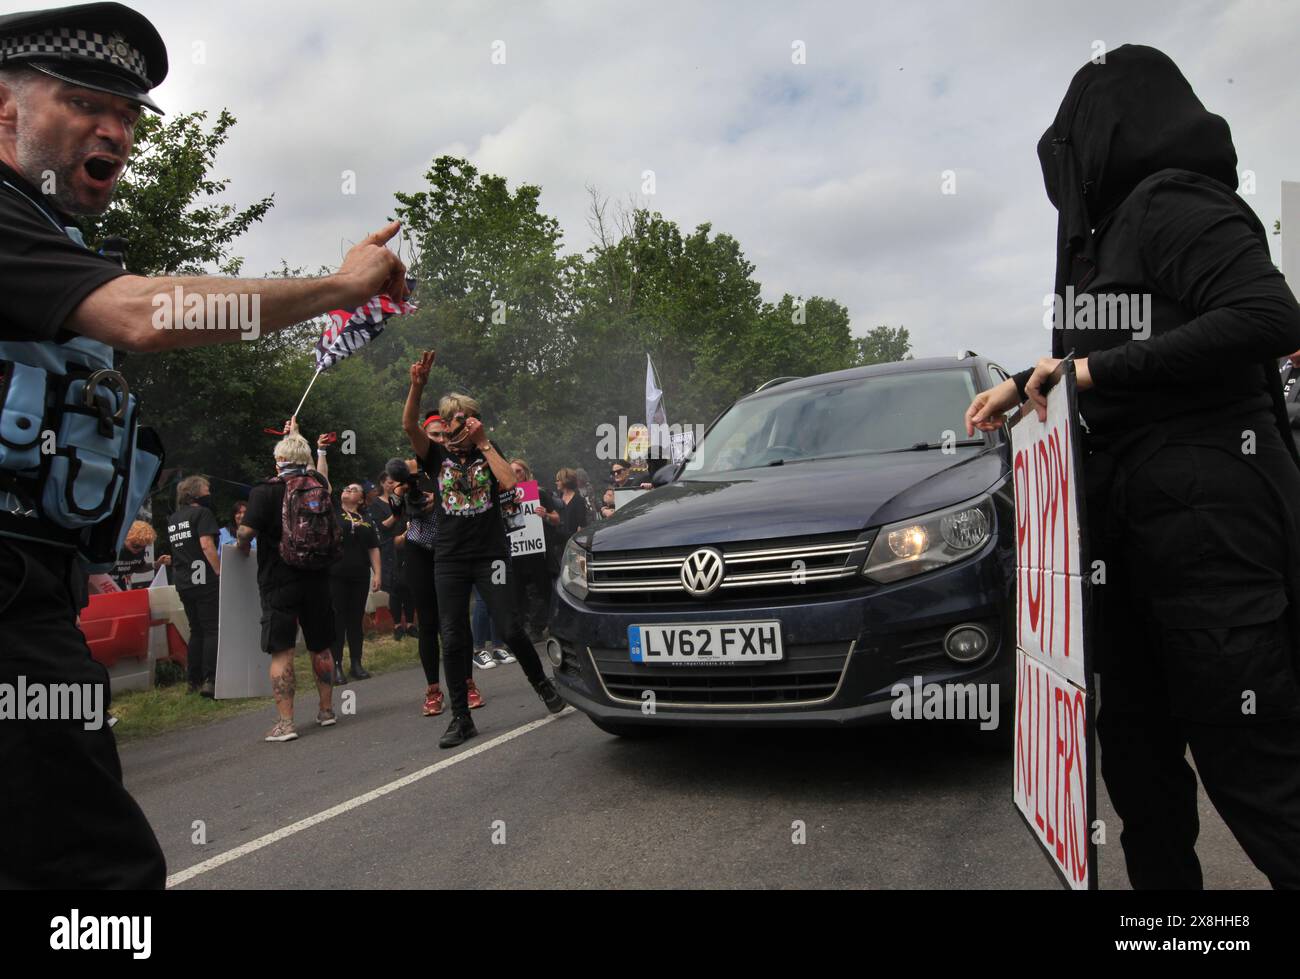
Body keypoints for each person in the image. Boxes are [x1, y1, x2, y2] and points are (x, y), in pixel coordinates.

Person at [0, 2, 406, 886]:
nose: (116, 129)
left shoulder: (45, 239)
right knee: (100, 878)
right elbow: (149, 314)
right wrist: (337, 286)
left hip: (37, 601)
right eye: (82, 102)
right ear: (6, 111)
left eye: (130, 114)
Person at [965, 45, 1300, 889]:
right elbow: (1100, 362)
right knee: (1141, 777)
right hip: (1130, 557)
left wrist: (1089, 373)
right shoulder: (1104, 247)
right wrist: (1028, 385)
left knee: (1255, 772)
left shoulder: (1173, 200)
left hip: (1211, 544)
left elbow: (1267, 314)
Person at [403, 350, 564, 748]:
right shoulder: (435, 456)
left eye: (461, 419)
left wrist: (485, 443)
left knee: (510, 628)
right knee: (453, 636)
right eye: (450, 420)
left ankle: (542, 685)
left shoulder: (488, 451)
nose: (454, 426)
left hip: (490, 554)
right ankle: (461, 717)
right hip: (450, 557)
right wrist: (416, 385)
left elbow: (511, 484)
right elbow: (409, 425)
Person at [236, 423, 341, 742]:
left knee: (281, 651)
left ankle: (286, 723)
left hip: (278, 579)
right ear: (306, 459)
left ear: (277, 461)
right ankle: (326, 711)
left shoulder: (264, 491)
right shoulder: (319, 485)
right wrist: (297, 434)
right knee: (320, 646)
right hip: (318, 577)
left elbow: (246, 533)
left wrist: (242, 544)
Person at [398, 411, 484, 715]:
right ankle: (433, 690)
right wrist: (404, 497)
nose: (438, 440)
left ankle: (467, 682)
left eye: (442, 434)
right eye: (432, 435)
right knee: (429, 623)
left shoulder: (457, 466)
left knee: (458, 619)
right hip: (421, 549)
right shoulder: (412, 469)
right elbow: (400, 506)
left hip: (452, 551)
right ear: (424, 436)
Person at [167, 475, 222, 695]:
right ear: (196, 492)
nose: (209, 492)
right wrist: (219, 571)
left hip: (183, 580)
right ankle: (211, 680)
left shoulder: (174, 519)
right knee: (211, 629)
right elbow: (207, 545)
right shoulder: (203, 514)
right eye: (207, 489)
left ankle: (193, 680)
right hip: (204, 578)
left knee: (196, 629)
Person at [329, 481, 380, 683]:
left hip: (359, 575)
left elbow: (373, 547)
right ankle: (336, 665)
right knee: (337, 620)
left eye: (353, 489)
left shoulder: (367, 519)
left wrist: (378, 574)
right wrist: (321, 452)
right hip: (335, 574)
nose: (347, 490)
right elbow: (325, 484)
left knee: (355, 619)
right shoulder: (333, 512)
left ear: (361, 498)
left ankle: (356, 663)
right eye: (346, 488)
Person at [509, 458, 555, 640]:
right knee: (518, 591)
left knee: (542, 590)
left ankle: (542, 626)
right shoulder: (504, 495)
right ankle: (525, 627)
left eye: (518, 471)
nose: (515, 475)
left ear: (526, 472)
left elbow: (556, 517)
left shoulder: (538, 493)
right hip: (516, 552)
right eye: (511, 471)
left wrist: (546, 515)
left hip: (537, 551)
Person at [369, 471, 413, 638]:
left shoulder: (404, 500)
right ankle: (396, 625)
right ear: (382, 483)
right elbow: (381, 527)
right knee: (395, 587)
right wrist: (395, 514)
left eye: (396, 482)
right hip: (388, 547)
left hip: (408, 543)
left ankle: (409, 624)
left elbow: (410, 517)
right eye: (390, 482)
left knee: (408, 584)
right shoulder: (375, 504)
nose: (393, 485)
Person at [109, 518, 169, 590]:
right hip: (101, 586)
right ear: (126, 538)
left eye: (143, 546)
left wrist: (157, 564)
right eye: (135, 546)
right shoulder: (113, 547)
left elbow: (138, 567)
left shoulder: (140, 551)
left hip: (120, 587)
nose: (138, 549)